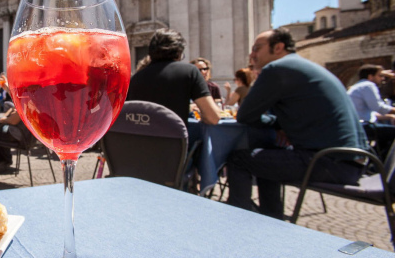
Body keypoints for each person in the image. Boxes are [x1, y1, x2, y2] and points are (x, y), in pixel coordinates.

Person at [226, 28, 369, 220]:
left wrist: (275, 124)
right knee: (265, 154)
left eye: (257, 48)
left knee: (238, 159)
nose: (252, 54)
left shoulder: (277, 69)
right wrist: (279, 125)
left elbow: (245, 115)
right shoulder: (303, 66)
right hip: (352, 160)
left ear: (278, 47)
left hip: (328, 162)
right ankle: (271, 217)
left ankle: (237, 221)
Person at [127, 28, 220, 125]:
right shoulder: (190, 72)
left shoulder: (136, 78)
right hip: (173, 134)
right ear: (179, 52)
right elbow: (213, 117)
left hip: (140, 134)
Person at [347, 64, 395, 158]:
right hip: (365, 126)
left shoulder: (358, 87)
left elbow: (371, 113)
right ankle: (382, 162)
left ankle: (377, 160)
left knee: (385, 138)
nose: (382, 79)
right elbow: (379, 107)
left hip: (359, 126)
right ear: (370, 76)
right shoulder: (368, 85)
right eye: (379, 76)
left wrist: (390, 116)